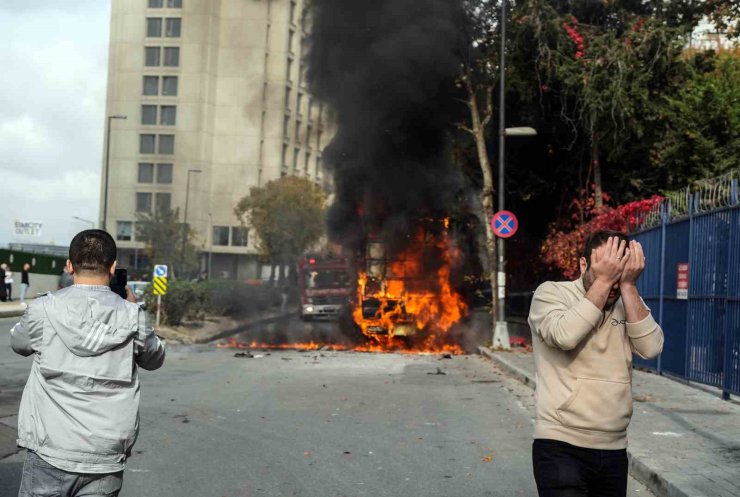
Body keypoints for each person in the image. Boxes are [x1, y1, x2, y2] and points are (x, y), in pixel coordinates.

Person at [10, 229, 166, 497]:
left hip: (50, 451)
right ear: (113, 267)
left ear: (69, 266)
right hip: (105, 457)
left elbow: (18, 343)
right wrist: (134, 307)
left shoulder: (43, 309)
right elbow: (155, 358)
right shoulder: (132, 316)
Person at [528, 230, 664, 497]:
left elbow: (651, 348)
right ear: (582, 265)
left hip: (614, 449)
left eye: (619, 271)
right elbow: (564, 335)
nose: (613, 281)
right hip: (560, 444)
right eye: (606, 268)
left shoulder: (627, 299)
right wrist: (605, 281)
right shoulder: (551, 293)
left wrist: (629, 286)